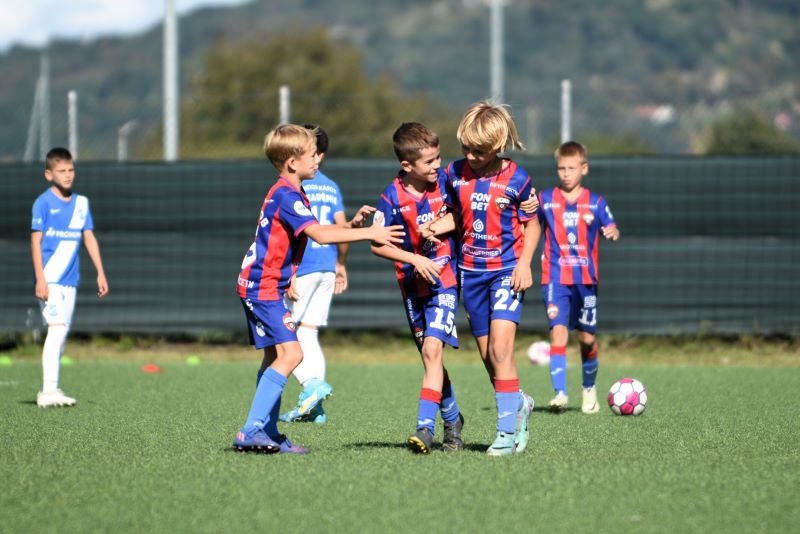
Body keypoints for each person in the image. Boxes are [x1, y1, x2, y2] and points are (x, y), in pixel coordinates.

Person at [233, 124, 404, 454]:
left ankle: (268, 432)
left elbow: (297, 236)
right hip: (262, 287)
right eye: (312, 155)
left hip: (261, 284)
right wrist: (369, 233)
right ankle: (252, 430)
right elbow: (321, 235)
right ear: (292, 162)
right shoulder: (286, 195)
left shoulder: (290, 192)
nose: (317, 160)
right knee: (293, 354)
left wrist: (347, 228)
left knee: (275, 357)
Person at [422, 101, 541, 456]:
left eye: (479, 151)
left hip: (506, 272)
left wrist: (525, 264)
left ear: (498, 146)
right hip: (470, 275)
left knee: (502, 349)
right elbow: (457, 217)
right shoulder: (453, 173)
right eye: (466, 149)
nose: (471, 157)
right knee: (490, 356)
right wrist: (433, 227)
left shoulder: (518, 178)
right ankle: (519, 404)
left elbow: (533, 224)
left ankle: (506, 434)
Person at [371, 122, 464, 454]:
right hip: (412, 288)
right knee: (431, 360)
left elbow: (462, 216)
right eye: (429, 161)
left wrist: (438, 228)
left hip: (445, 282)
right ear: (407, 165)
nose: (437, 165)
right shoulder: (391, 197)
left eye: (439, 157)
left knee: (432, 351)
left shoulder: (447, 183)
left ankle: (425, 429)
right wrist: (414, 258)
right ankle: (453, 420)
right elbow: (377, 244)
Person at [279, 124, 356, 425]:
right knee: (308, 333)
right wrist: (340, 264)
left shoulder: (297, 185)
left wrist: (290, 271)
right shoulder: (331, 186)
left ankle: (310, 386)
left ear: (317, 154)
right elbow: (341, 227)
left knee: (284, 335)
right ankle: (315, 408)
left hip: (304, 266)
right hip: (326, 265)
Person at [537, 141, 619, 414]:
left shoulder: (596, 202)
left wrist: (612, 232)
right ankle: (560, 394)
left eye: (571, 168)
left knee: (587, 339)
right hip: (555, 278)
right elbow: (529, 223)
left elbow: (612, 227)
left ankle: (589, 388)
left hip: (586, 280)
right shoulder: (545, 199)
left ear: (584, 169)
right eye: (561, 168)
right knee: (558, 333)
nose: (566, 173)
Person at [31, 147, 109, 408]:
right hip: (50, 278)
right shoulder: (42, 203)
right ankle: (48, 391)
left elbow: (89, 238)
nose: (68, 175)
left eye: (71, 170)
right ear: (49, 174)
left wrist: (100, 272)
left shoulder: (82, 204)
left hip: (70, 280)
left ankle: (53, 387)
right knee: (56, 329)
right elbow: (35, 242)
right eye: (62, 171)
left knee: (62, 333)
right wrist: (40, 278)